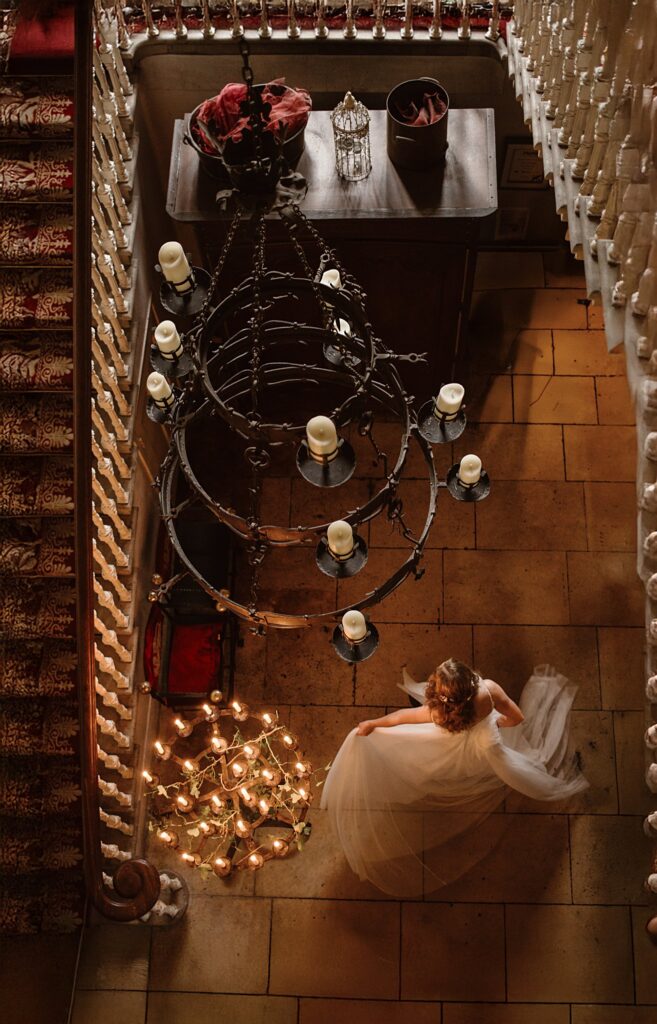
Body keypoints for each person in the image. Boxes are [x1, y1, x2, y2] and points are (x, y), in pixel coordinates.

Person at [320, 659, 588, 896]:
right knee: (485, 763)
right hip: (486, 747)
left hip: (457, 749)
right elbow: (516, 717)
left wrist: (374, 724)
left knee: (440, 768)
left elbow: (403, 718)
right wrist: (494, 726)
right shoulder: (489, 690)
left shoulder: (438, 713)